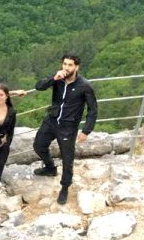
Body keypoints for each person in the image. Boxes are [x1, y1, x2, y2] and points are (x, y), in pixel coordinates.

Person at [32, 54, 98, 205]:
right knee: (38, 145)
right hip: (51, 120)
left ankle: (65, 187)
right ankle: (50, 168)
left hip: (69, 126)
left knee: (67, 158)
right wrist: (53, 79)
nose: (66, 68)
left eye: (70, 65)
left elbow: (93, 110)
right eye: (65, 64)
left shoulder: (84, 86)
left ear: (76, 67)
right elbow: (39, 86)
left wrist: (86, 130)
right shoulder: (57, 79)